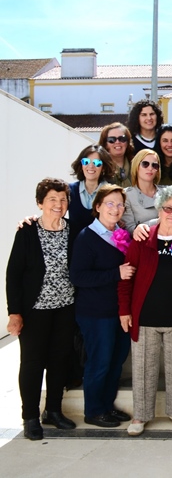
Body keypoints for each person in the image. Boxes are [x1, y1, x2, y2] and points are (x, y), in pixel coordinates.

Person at [118, 186, 172, 435]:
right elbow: (126, 279)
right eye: (168, 209)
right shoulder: (142, 238)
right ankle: (140, 416)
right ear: (159, 209)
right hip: (145, 316)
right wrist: (125, 310)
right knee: (143, 369)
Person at [7, 178, 78, 440]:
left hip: (65, 307)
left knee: (59, 360)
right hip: (34, 310)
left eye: (63, 199)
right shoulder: (27, 231)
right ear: (40, 203)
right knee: (33, 363)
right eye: (52, 200)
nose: (58, 205)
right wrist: (14, 312)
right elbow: (13, 275)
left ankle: (54, 411)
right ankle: (30, 417)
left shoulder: (73, 230)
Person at [69, 185, 133, 431]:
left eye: (119, 204)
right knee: (100, 361)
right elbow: (79, 276)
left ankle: (107, 405)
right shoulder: (87, 237)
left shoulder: (122, 235)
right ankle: (94, 410)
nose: (115, 209)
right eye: (109, 203)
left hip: (119, 311)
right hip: (96, 313)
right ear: (97, 207)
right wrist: (115, 273)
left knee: (116, 361)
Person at [68, 145, 114, 233]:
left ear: (103, 167)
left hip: (101, 244)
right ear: (81, 165)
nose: (91, 166)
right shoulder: (70, 190)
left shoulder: (112, 192)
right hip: (75, 244)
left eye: (97, 163)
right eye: (86, 162)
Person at [121, 149, 161, 234]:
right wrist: (159, 221)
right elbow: (130, 229)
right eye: (145, 164)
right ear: (136, 166)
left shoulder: (166, 193)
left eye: (155, 165)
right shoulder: (126, 195)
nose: (150, 168)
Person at [99, 122, 134, 187]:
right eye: (111, 140)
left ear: (127, 142)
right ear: (105, 144)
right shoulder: (100, 168)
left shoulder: (138, 166)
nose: (117, 142)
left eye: (122, 139)